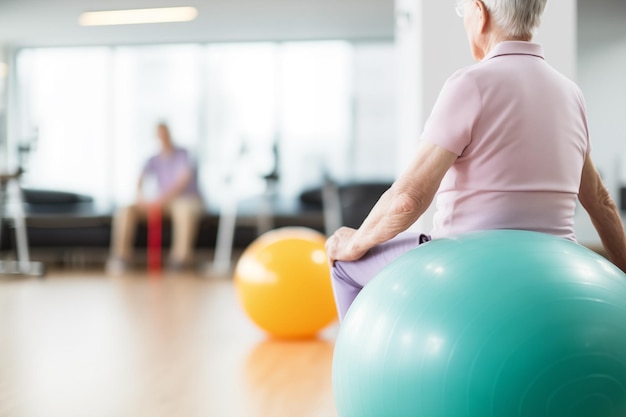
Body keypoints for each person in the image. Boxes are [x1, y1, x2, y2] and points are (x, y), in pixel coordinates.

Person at [326, 0, 626, 321]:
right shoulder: (571, 93)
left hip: (467, 266)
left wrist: (352, 244)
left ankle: (357, 369)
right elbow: (601, 202)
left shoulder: (470, 83)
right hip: (555, 267)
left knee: (344, 266)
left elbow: (407, 200)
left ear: (479, 12)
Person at [107, 122, 203, 272]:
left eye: (165, 134)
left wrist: (161, 199)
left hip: (184, 200)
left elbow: (183, 180)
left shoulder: (184, 154)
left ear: (170, 134)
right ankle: (121, 257)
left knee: (184, 209)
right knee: (126, 209)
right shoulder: (154, 159)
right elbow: (140, 178)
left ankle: (181, 258)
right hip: (161, 202)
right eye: (159, 135)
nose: (162, 138)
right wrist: (140, 196)